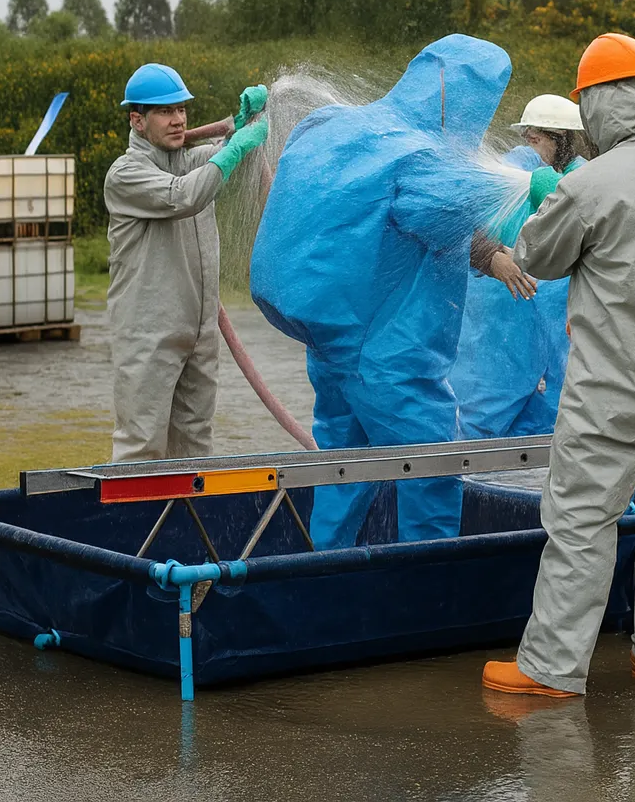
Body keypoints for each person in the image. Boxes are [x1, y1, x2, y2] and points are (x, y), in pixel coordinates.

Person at [480, 33, 635, 697]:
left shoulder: (590, 183)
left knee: (581, 521)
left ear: (592, 105)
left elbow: (538, 257)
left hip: (622, 385)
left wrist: (548, 196)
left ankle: (552, 669)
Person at [251, 34, 520, 549]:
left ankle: (325, 573)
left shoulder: (338, 125)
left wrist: (486, 246)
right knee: (432, 470)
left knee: (342, 467)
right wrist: (526, 195)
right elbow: (438, 212)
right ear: (462, 97)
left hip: (332, 346)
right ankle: (429, 591)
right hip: (392, 357)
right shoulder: (421, 157)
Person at [104, 64, 268, 462]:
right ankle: (136, 527)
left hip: (199, 333)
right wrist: (235, 145)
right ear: (137, 121)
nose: (178, 119)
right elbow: (184, 196)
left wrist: (245, 127)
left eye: (181, 109)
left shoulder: (189, 161)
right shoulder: (125, 174)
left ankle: (186, 527)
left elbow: (228, 164)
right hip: (148, 334)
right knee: (140, 449)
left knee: (195, 449)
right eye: (165, 112)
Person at [453, 94, 589, 438]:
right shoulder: (510, 173)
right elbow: (456, 230)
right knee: (478, 425)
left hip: (560, 343)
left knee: (556, 428)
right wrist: (492, 255)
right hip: (496, 339)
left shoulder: (585, 181)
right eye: (527, 136)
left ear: (565, 139)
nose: (530, 141)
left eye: (537, 137)